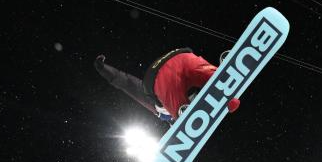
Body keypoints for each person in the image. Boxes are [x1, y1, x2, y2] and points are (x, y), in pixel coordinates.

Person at [94, 50, 240, 123]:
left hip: (160, 79)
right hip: (183, 56)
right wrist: (104, 70)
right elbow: (128, 83)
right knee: (203, 73)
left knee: (176, 104)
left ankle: (183, 114)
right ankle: (218, 75)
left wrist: (104, 70)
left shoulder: (159, 110)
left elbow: (128, 84)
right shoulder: (163, 109)